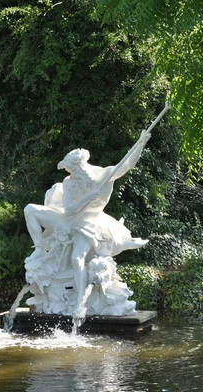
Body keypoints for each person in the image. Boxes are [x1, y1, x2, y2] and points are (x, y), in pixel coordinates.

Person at [23, 129, 151, 315]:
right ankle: (39, 248)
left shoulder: (102, 176)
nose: (69, 173)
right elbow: (67, 209)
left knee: (77, 259)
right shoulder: (68, 182)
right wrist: (87, 197)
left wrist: (141, 143)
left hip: (89, 224)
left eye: (71, 169)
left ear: (81, 165)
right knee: (30, 210)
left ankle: (79, 305)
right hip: (68, 219)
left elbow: (126, 165)